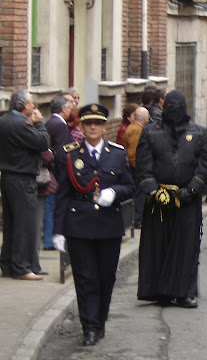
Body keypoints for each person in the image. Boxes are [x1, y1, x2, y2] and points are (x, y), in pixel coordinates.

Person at [52, 103, 134, 346]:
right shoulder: (70, 154)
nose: (93, 128)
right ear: (82, 126)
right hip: (79, 224)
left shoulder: (117, 153)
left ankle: (100, 321)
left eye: (98, 123)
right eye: (88, 123)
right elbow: (63, 194)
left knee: (105, 277)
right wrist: (58, 230)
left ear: (104, 126)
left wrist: (114, 192)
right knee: (84, 277)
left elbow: (130, 186)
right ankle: (88, 327)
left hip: (108, 225)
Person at [136, 90, 207, 309]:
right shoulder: (150, 132)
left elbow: (206, 164)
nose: (174, 111)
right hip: (158, 202)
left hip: (187, 200)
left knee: (186, 247)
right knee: (158, 246)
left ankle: (184, 292)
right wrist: (154, 191)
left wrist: (193, 188)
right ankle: (159, 291)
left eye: (177, 107)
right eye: (169, 106)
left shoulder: (198, 133)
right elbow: (143, 165)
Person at [0, 90, 50, 280]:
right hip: (22, 178)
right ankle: (22, 267)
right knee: (25, 223)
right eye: (32, 103)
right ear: (24, 105)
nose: (34, 106)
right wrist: (39, 124)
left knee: (12, 223)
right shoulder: (20, 124)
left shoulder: (4, 120)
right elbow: (43, 142)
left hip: (8, 176)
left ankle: (8, 264)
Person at [43, 94, 74, 249]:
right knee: (53, 206)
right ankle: (49, 240)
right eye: (69, 107)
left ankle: (49, 238)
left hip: (51, 171)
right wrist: (66, 171)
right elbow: (62, 152)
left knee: (50, 206)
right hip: (57, 173)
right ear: (63, 108)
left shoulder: (50, 122)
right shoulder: (60, 124)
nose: (70, 110)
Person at [123, 106, 150, 227]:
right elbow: (133, 152)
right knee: (139, 194)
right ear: (144, 118)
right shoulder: (136, 130)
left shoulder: (136, 127)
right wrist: (139, 168)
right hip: (137, 168)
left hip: (137, 167)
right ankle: (137, 220)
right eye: (148, 117)